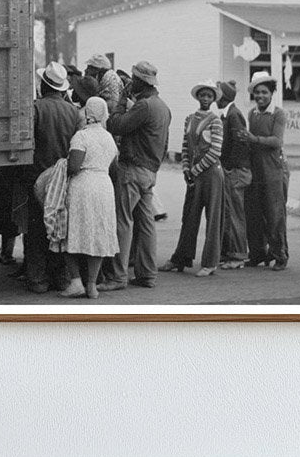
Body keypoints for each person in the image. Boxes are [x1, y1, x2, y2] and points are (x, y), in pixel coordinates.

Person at [99, 60, 172, 291]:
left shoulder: (144, 106)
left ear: (140, 81)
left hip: (132, 169)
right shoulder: (162, 107)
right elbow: (165, 143)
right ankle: (147, 274)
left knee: (123, 221)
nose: (130, 83)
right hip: (150, 171)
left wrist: (122, 100)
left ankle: (117, 276)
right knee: (146, 223)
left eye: (133, 79)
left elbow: (115, 125)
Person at [25, 61, 83, 294]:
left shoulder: (35, 109)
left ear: (43, 85)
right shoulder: (74, 112)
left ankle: (38, 279)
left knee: (36, 229)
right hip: (64, 179)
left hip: (38, 176)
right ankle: (60, 277)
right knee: (60, 228)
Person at [161, 82, 224, 277]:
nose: (205, 99)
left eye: (209, 96)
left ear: (213, 99)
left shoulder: (216, 121)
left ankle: (210, 263)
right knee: (189, 216)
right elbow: (185, 146)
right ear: (198, 97)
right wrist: (186, 168)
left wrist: (195, 170)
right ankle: (181, 258)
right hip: (194, 174)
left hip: (211, 174)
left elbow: (215, 151)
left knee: (213, 219)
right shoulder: (189, 119)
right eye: (202, 95)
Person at [59, 96, 119, 300]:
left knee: (72, 231)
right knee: (98, 234)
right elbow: (113, 166)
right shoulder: (109, 138)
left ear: (87, 113)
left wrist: (63, 165)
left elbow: (74, 166)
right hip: (104, 186)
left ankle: (76, 282)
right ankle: (92, 285)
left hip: (83, 186)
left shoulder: (81, 136)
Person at [241, 71, 290, 270]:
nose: (260, 96)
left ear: (271, 93)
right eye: (257, 92)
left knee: (274, 214)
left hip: (274, 170)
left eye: (264, 92)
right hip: (256, 169)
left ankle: (280, 255)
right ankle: (257, 253)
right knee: (253, 213)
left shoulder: (278, 114)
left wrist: (254, 139)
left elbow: (277, 141)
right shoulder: (252, 114)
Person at [217, 79, 251, 269]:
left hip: (236, 171)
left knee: (235, 213)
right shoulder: (227, 114)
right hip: (233, 169)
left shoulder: (233, 115)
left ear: (223, 96)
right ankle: (230, 252)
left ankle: (238, 256)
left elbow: (240, 143)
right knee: (229, 212)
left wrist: (229, 166)